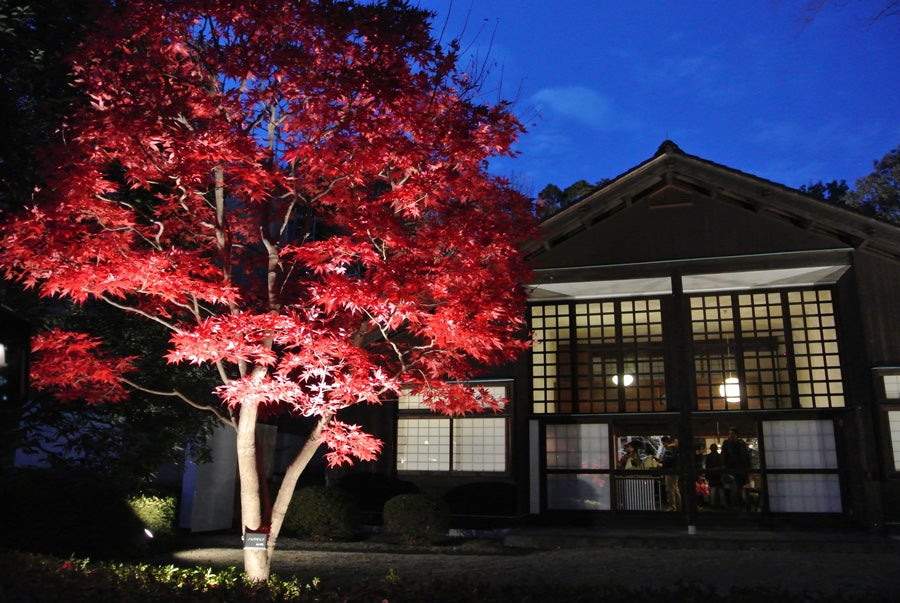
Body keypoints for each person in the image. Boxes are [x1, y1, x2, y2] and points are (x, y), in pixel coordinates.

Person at [721, 427, 751, 510]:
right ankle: (734, 506)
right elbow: (724, 457)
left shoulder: (742, 444)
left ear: (737, 435)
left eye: (732, 434)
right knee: (732, 489)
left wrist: (748, 469)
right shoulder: (726, 444)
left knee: (739, 489)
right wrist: (725, 468)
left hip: (741, 470)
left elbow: (746, 457)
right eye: (729, 434)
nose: (731, 435)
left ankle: (738, 506)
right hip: (730, 470)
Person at [660, 435, 681, 512]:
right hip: (676, 471)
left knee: (670, 489)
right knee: (675, 489)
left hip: (670, 471)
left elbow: (668, 461)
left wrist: (661, 464)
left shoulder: (669, 449)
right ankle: (678, 506)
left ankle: (672, 507)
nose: (663, 445)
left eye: (663, 443)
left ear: (666, 442)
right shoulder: (676, 449)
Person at [704, 443, 726, 509]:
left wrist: (707, 475)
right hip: (719, 475)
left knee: (713, 489)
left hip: (712, 475)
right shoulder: (720, 456)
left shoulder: (708, 457)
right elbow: (722, 466)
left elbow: (707, 467)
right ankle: (721, 503)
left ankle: (713, 503)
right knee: (720, 489)